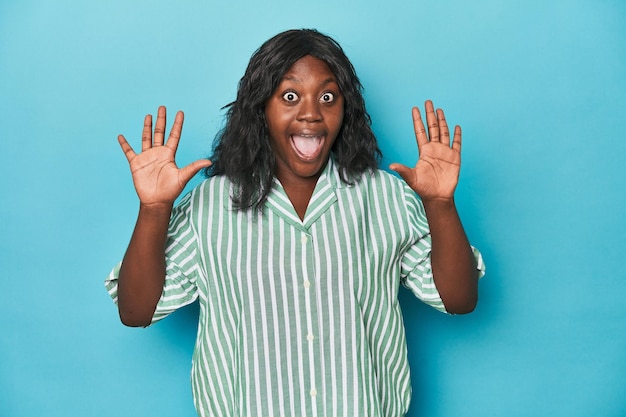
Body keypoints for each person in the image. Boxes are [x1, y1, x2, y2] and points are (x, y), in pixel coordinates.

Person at [105, 28, 485, 417]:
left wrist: (440, 204)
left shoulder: (386, 197)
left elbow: (459, 300)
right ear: (261, 108)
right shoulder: (210, 204)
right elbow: (136, 312)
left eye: (327, 96)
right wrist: (154, 209)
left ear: (345, 108)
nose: (310, 112)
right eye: (290, 96)